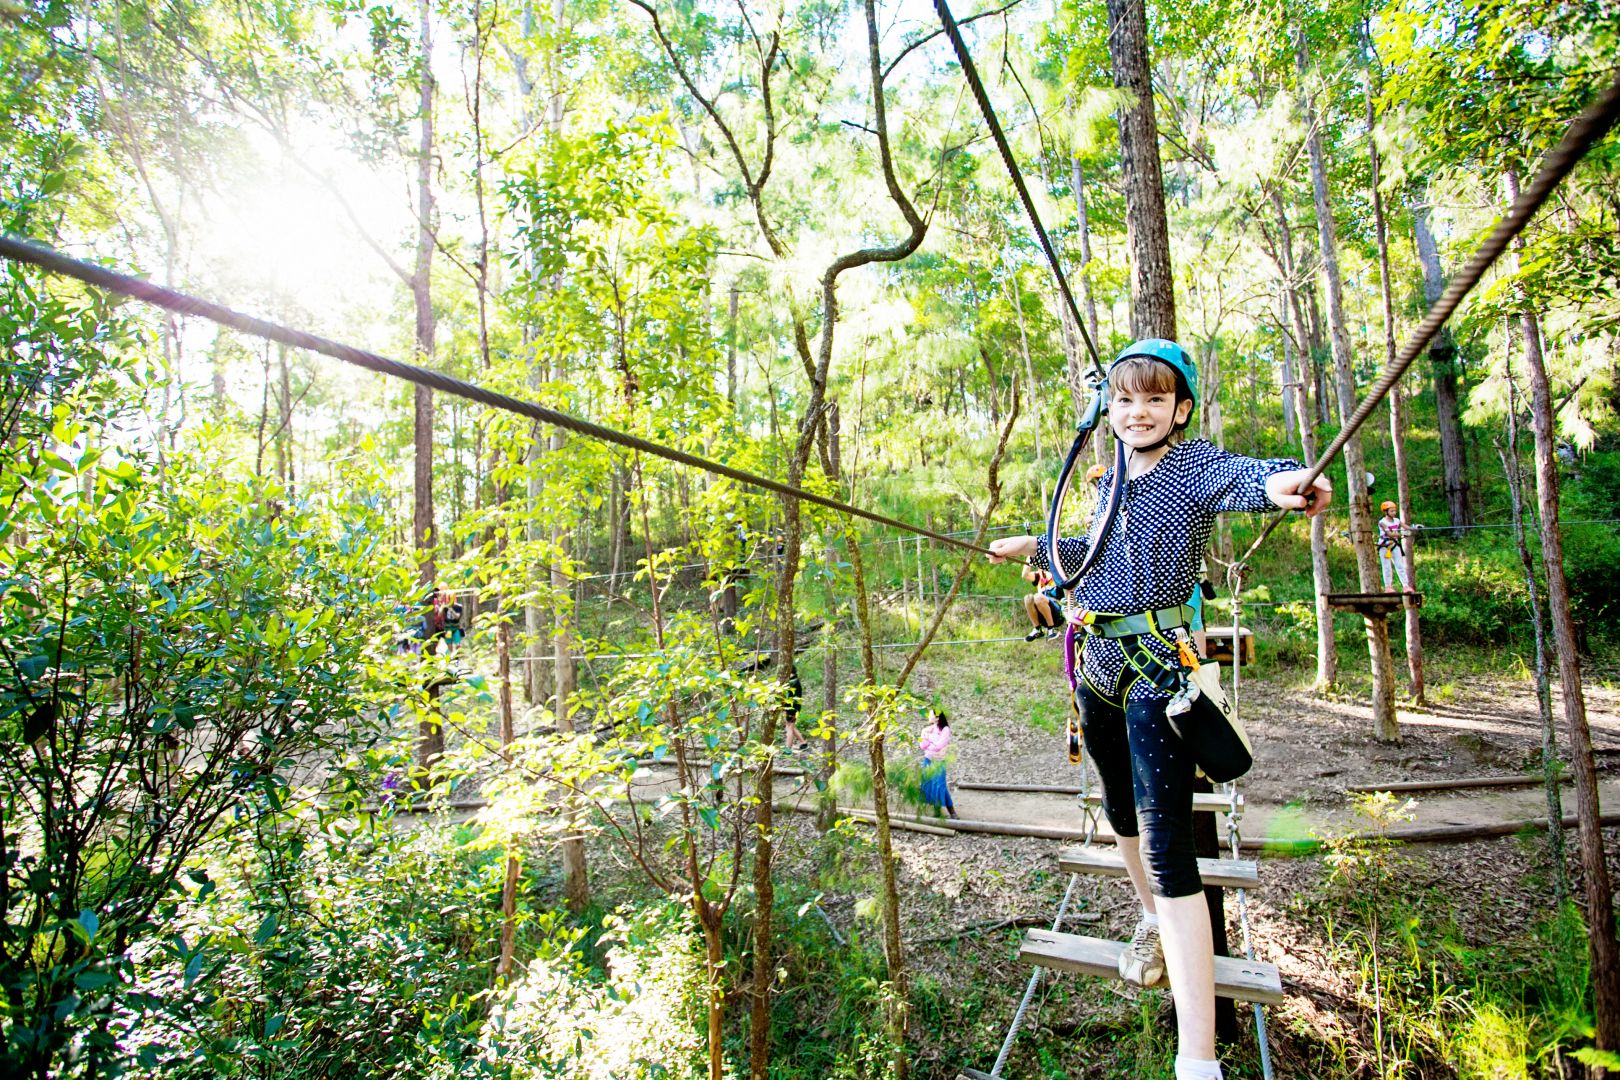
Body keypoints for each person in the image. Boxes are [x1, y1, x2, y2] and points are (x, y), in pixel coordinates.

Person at [987, 338, 1331, 1080]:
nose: (1136, 412)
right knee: (1118, 807)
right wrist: (1039, 551)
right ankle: (1148, 917)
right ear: (1108, 410)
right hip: (1096, 662)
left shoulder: (1192, 467)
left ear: (1180, 409)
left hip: (1156, 664)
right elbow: (1099, 553)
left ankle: (1197, 1060)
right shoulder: (1109, 480)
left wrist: (1290, 483)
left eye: (1153, 399)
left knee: (1172, 846)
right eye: (1123, 400)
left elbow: (1251, 478)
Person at [918, 709, 958, 819]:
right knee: (928, 785)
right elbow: (922, 745)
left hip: (939, 761)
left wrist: (930, 744)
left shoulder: (945, 730)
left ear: (937, 717)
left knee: (940, 785)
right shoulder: (927, 729)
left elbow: (939, 745)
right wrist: (925, 735)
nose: (928, 716)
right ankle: (936, 812)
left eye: (930, 714)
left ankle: (952, 811)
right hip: (928, 760)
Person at [1377, 500, 1413, 593]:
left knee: (1400, 565)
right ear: (1386, 512)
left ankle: (1406, 586)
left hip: (1395, 545)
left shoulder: (1397, 521)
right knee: (1387, 566)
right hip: (1385, 546)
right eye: (1391, 511)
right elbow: (1390, 534)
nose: (1394, 513)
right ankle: (1388, 587)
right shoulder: (1382, 522)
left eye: (1394, 511)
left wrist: (1414, 528)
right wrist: (1403, 534)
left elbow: (1407, 527)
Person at [1021, 565, 1063, 640]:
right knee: (1028, 598)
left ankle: (1051, 629)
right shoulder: (1039, 575)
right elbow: (1025, 574)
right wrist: (1030, 559)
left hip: (1057, 612)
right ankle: (1037, 629)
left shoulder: (1059, 574)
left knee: (1038, 597)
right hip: (1042, 613)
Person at [781, 662, 809, 752]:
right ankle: (803, 742)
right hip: (791, 708)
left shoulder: (794, 682)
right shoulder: (792, 681)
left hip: (793, 709)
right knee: (789, 726)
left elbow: (791, 698)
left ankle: (788, 750)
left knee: (789, 727)